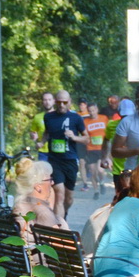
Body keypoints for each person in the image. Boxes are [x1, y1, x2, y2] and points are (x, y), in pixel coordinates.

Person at [43, 90, 88, 219]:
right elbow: (47, 133)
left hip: (70, 161)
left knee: (68, 198)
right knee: (59, 194)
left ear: (70, 103)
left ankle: (64, 212)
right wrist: (41, 142)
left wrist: (74, 137)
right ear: (55, 102)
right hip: (54, 160)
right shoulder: (48, 117)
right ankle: (58, 226)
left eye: (65, 102)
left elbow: (86, 139)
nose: (61, 105)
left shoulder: (76, 118)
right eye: (59, 102)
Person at [9, 159, 67, 243]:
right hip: (41, 255)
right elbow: (62, 246)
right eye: (49, 179)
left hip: (21, 254)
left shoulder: (19, 205)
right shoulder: (42, 212)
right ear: (38, 186)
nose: (53, 183)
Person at [83, 103, 110, 192]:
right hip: (91, 148)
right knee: (92, 171)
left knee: (100, 170)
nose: (92, 113)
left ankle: (102, 182)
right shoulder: (85, 121)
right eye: (90, 111)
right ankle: (96, 191)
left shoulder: (104, 118)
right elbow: (84, 135)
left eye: (93, 110)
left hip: (102, 149)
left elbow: (109, 131)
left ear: (97, 110)